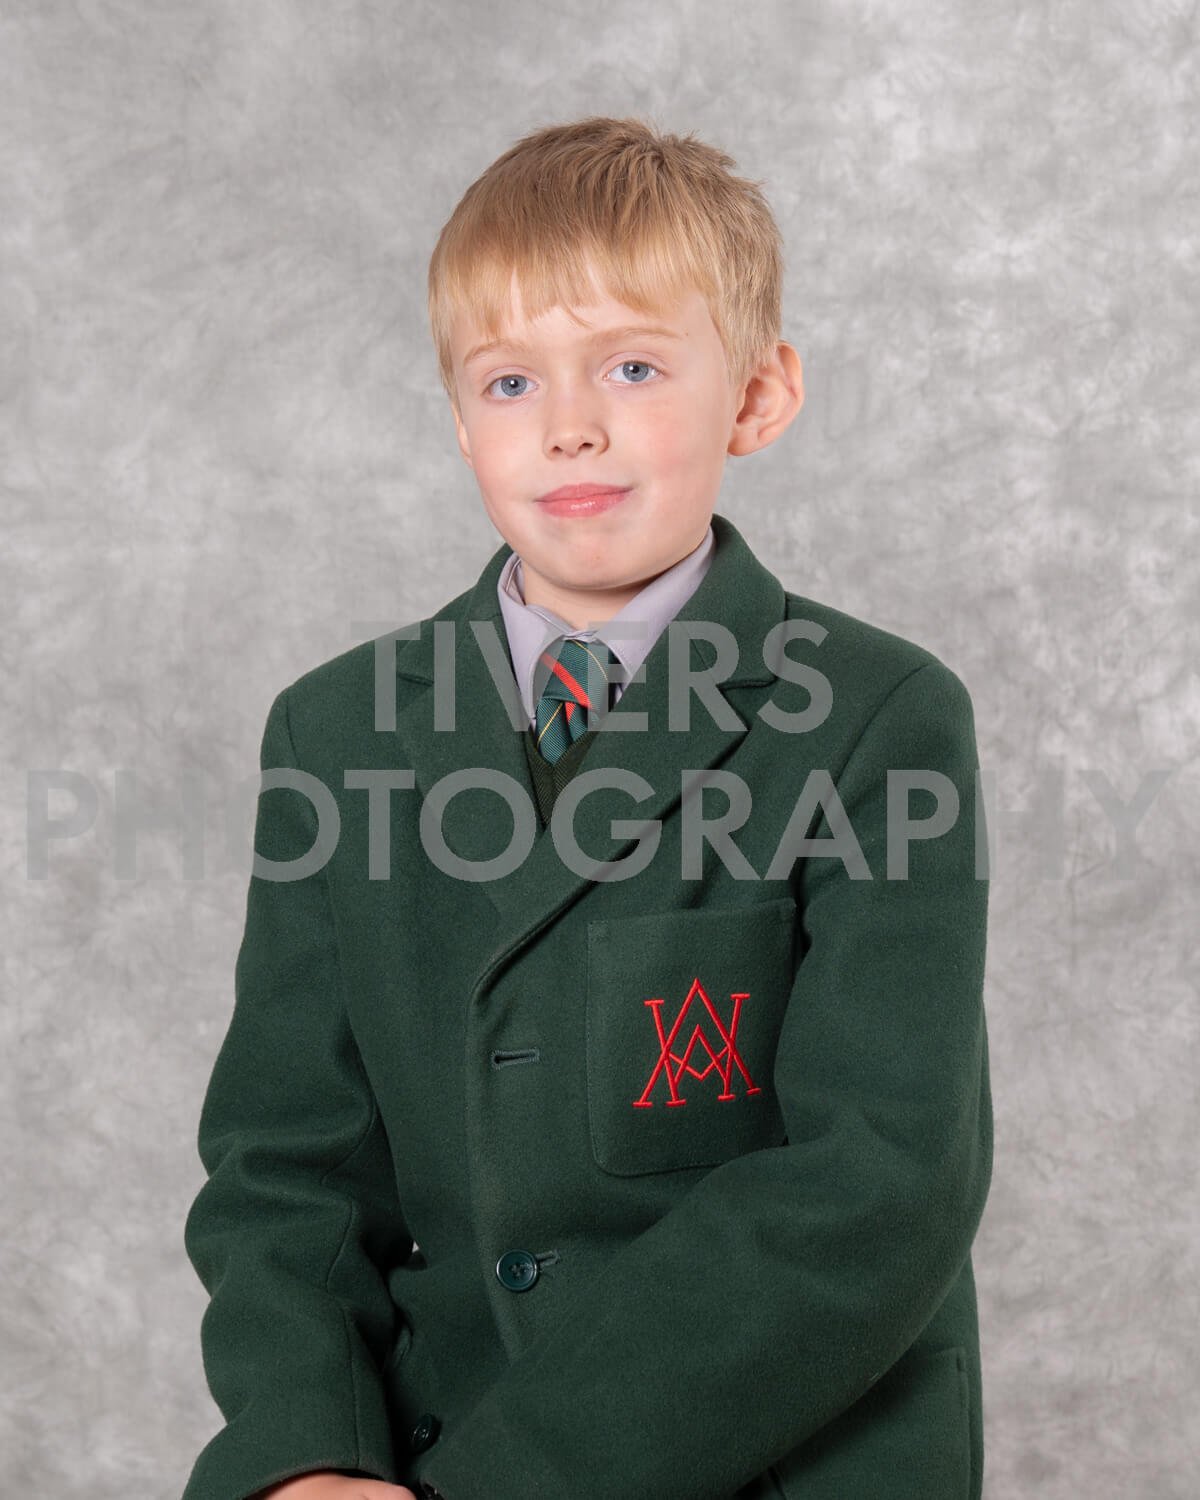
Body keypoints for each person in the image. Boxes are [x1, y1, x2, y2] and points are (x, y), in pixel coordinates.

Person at [181, 115, 993, 1500]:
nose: (569, 424)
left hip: (774, 1464)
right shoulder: (334, 731)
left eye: (632, 365)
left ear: (757, 395)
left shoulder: (881, 716)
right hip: (414, 1461)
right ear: (459, 420)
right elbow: (286, 1169)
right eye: (509, 381)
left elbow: (877, 1185)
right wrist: (307, 1456)